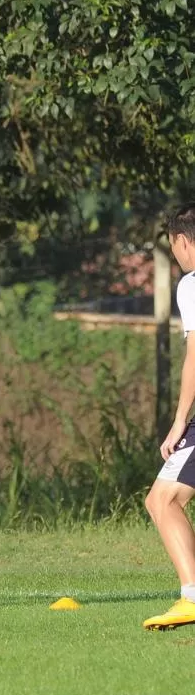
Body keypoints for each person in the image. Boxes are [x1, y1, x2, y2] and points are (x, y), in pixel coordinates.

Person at [144, 203, 195, 630]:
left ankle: (192, 597)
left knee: (163, 499)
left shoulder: (192, 284)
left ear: (181, 240)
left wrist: (180, 419)